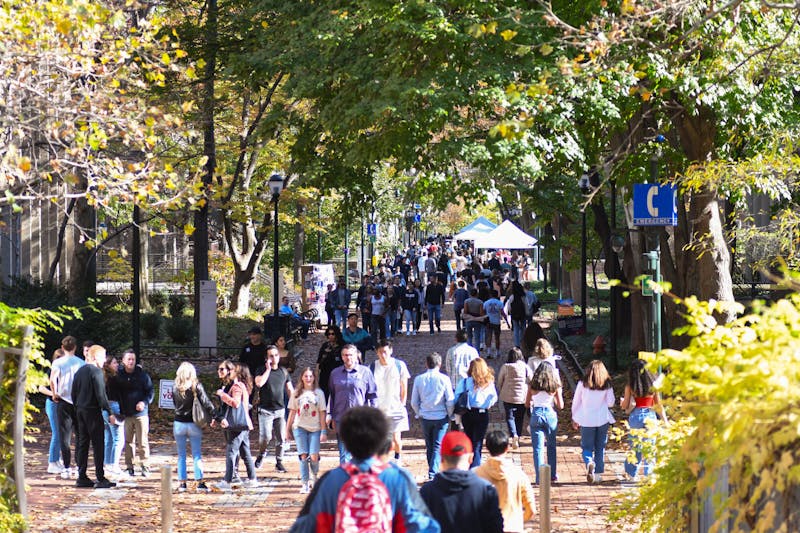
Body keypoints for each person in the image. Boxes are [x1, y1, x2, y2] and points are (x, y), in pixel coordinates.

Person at [297, 406, 440, 532]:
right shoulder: (399, 479)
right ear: (384, 441)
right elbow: (422, 527)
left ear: (345, 443)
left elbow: (306, 526)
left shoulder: (329, 481)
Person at [419, 430, 503, 533]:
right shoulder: (486, 491)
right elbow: (496, 528)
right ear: (471, 458)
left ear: (441, 459)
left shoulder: (427, 492)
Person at [71, 344, 116, 489]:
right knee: (98, 444)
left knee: (83, 443)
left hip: (80, 409)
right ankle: (100, 476)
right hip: (92, 410)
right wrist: (109, 412)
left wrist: (77, 406)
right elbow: (101, 395)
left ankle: (82, 475)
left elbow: (73, 392)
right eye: (103, 357)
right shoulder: (96, 372)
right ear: (96, 357)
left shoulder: (80, 371)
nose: (104, 360)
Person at [474, 430, 536, 533]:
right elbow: (531, 509)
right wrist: (518, 522)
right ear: (507, 448)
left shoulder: (476, 475)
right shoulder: (518, 474)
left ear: (487, 448)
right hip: (512, 527)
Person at [212, 359, 259, 489]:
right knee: (245, 452)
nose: (220, 372)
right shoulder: (230, 386)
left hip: (238, 425)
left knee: (231, 452)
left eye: (223, 369)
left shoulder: (237, 387)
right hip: (241, 425)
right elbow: (225, 408)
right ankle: (252, 478)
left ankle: (227, 481)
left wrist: (222, 395)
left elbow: (236, 403)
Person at [327, 344, 378, 463]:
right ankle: (346, 479)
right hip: (341, 418)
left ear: (356, 356)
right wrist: (331, 416)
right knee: (344, 453)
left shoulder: (365, 372)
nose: (348, 357)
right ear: (342, 357)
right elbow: (332, 395)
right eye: (345, 355)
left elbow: (373, 395)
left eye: (350, 355)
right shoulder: (335, 374)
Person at [171, 362, 216, 492]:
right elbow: (206, 402)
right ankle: (199, 482)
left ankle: (182, 483)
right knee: (196, 454)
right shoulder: (196, 386)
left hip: (178, 423)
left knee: (181, 455)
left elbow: (174, 404)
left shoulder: (175, 387)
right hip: (193, 423)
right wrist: (215, 415)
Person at [620, 359, 668, 480]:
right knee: (650, 447)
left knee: (635, 446)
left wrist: (624, 403)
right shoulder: (652, 386)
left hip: (636, 416)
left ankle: (631, 473)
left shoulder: (630, 386)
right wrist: (665, 421)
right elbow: (659, 405)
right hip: (650, 416)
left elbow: (625, 405)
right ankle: (649, 475)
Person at [411, 352, 454, 480]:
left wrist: (419, 413)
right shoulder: (444, 379)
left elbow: (414, 401)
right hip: (441, 416)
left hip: (425, 417)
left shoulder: (419, 379)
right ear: (439, 364)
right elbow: (450, 400)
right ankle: (433, 472)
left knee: (429, 445)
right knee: (437, 445)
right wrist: (450, 413)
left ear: (426, 364)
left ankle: (432, 469)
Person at [111, 349, 154, 478]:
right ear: (123, 361)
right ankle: (129, 467)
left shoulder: (142, 375)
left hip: (141, 414)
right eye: (128, 359)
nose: (131, 362)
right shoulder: (118, 376)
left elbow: (150, 392)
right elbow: (113, 393)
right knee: (128, 442)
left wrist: (144, 402)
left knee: (143, 441)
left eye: (133, 359)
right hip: (126, 414)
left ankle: (145, 466)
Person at [571, 359, 615, 484]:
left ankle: (589, 461)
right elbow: (611, 403)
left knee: (586, 446)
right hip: (602, 419)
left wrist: (574, 417)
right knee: (600, 447)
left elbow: (576, 402)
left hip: (586, 419)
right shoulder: (607, 385)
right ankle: (598, 474)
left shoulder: (582, 384)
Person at [286, 367, 327, 493]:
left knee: (314, 456)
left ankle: (314, 477)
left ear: (314, 378)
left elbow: (322, 413)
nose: (308, 378)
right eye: (306, 376)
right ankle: (304, 483)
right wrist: (287, 429)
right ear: (302, 378)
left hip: (315, 428)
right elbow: (292, 412)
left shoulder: (319, 393)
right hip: (299, 427)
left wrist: (323, 431)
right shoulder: (296, 393)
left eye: (310, 376)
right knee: (303, 455)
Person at [50, 336, 85, 479]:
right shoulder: (81, 363)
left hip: (63, 401)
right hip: (78, 402)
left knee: (64, 436)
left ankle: (66, 467)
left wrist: (54, 393)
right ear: (75, 347)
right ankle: (78, 466)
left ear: (62, 347)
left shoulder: (58, 362)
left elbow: (52, 379)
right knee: (80, 436)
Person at [370, 340, 411, 465]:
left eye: (385, 352)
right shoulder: (372, 367)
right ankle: (381, 460)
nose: (383, 355)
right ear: (377, 352)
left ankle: (397, 458)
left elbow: (404, 386)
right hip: (379, 409)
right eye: (380, 352)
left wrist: (402, 403)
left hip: (395, 407)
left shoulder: (399, 365)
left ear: (391, 351)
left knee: (396, 438)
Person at [254, 345, 293, 473]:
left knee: (281, 438)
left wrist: (296, 405)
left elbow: (290, 390)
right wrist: (268, 370)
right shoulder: (261, 370)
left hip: (280, 410)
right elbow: (259, 383)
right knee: (265, 436)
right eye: (271, 356)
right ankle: (262, 454)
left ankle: (279, 461)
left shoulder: (283, 372)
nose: (274, 358)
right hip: (265, 410)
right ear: (266, 358)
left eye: (276, 355)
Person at [455, 358, 498, 468]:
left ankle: (470, 465)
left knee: (469, 441)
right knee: (478, 443)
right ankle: (475, 467)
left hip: (468, 413)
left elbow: (456, 397)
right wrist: (488, 404)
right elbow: (494, 397)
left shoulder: (464, 381)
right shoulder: (489, 382)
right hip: (482, 413)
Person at [526, 361, 563, 484]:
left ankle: (539, 478)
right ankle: (552, 475)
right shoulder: (554, 386)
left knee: (538, 448)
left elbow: (526, 403)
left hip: (536, 414)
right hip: (549, 414)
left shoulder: (532, 386)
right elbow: (560, 405)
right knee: (551, 446)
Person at [496, 348, 533, 450]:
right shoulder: (525, 367)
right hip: (522, 396)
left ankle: (513, 435)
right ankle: (518, 435)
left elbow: (500, 380)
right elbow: (531, 380)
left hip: (508, 396)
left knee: (510, 417)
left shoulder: (506, 367)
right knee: (520, 417)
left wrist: (501, 389)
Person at [39, 348, 65, 474]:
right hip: (52, 404)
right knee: (57, 432)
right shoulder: (51, 371)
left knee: (62, 432)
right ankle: (52, 461)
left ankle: (57, 460)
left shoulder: (65, 372)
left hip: (61, 404)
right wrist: (54, 394)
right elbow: (41, 388)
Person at [102, 356, 124, 476]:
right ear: (109, 365)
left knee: (109, 438)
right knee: (118, 438)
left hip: (104, 409)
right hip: (113, 407)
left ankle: (108, 463)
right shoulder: (113, 378)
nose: (117, 365)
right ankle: (114, 465)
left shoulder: (103, 377)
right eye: (115, 363)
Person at [317, 325, 344, 402]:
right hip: (325, 373)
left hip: (338, 372)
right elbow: (319, 360)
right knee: (324, 394)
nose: (331, 336)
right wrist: (317, 372)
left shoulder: (342, 345)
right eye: (329, 334)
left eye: (333, 334)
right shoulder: (325, 345)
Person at [483, 289, 507, 359]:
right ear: (497, 295)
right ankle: (497, 352)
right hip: (496, 322)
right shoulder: (499, 303)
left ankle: (489, 352)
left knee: (488, 337)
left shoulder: (486, 303)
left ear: (490, 295)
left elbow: (483, 312)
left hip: (488, 322)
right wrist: (507, 322)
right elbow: (503, 313)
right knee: (497, 337)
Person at [504, 281, 528, 349]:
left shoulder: (512, 296)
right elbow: (526, 305)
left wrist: (510, 313)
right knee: (523, 327)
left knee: (516, 328)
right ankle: (522, 341)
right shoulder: (523, 296)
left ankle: (517, 344)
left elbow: (509, 306)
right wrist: (526, 312)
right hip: (522, 314)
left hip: (514, 314)